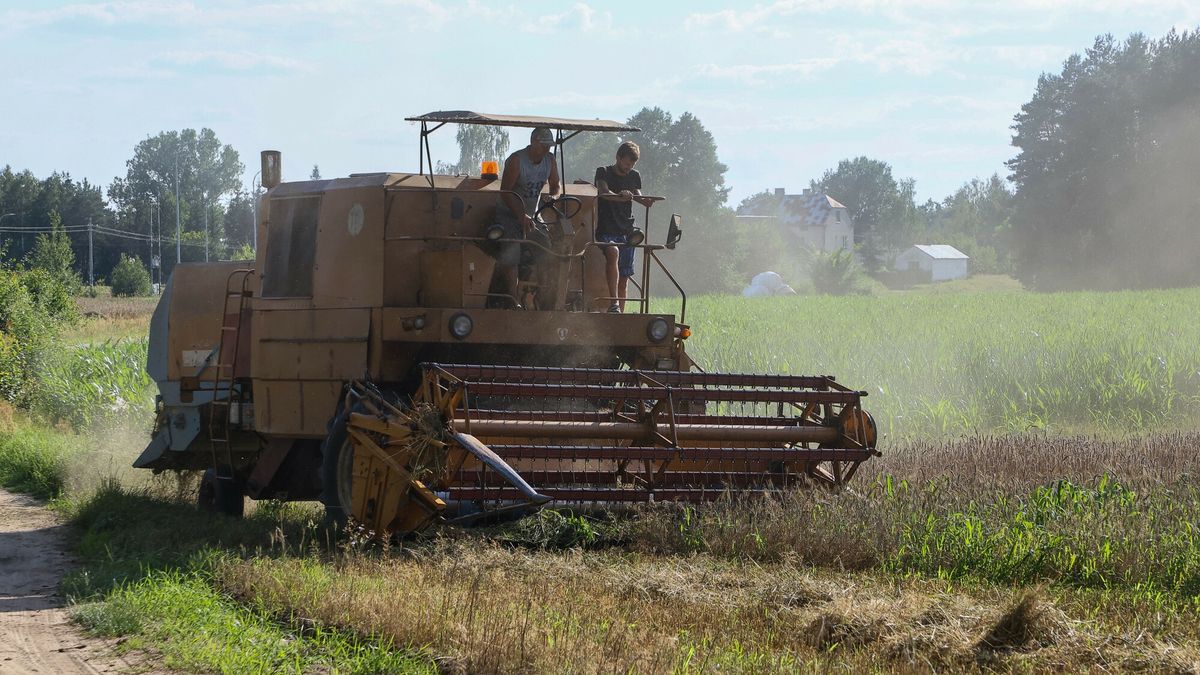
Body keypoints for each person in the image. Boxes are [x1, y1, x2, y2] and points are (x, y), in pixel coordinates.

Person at [492, 127, 560, 308]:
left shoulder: (550, 161)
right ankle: (513, 300)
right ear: (534, 142)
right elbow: (506, 192)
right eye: (544, 145)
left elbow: (556, 186)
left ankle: (543, 296)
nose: (547, 149)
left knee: (547, 248)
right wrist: (521, 216)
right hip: (509, 213)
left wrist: (552, 196)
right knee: (512, 248)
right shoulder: (516, 160)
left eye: (549, 146)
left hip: (533, 215)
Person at [594, 141, 651, 313]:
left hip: (626, 229)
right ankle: (614, 304)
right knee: (613, 251)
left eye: (632, 164)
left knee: (625, 276)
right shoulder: (603, 172)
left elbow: (638, 196)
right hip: (606, 229)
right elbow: (603, 193)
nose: (629, 167)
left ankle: (621, 315)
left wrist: (646, 201)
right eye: (627, 163)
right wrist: (622, 196)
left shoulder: (634, 176)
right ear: (618, 158)